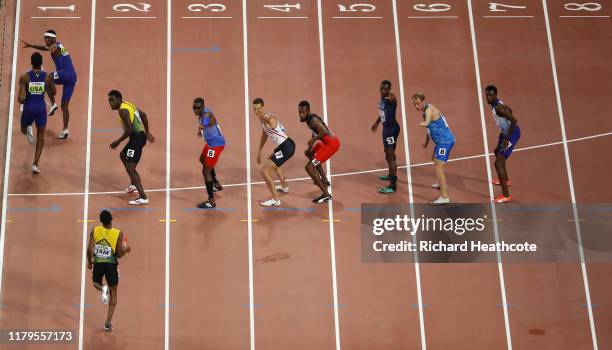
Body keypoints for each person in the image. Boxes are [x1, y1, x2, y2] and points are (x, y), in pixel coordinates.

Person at [22, 29, 77, 139]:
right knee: (64, 105)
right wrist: (31, 45)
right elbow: (46, 48)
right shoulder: (58, 45)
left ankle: (53, 103)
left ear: (54, 38)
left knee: (47, 77)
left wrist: (41, 58)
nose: (46, 40)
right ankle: (65, 129)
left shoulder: (55, 46)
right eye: (45, 38)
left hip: (65, 73)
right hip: (72, 77)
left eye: (48, 38)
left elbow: (51, 48)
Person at [108, 90, 155, 205]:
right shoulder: (127, 104)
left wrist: (117, 142)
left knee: (131, 168)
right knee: (123, 155)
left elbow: (130, 129)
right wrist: (147, 132)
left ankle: (143, 197)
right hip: (138, 137)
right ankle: (133, 184)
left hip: (137, 138)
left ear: (119, 99)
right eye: (109, 100)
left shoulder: (123, 111)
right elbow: (143, 115)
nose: (110, 103)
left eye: (113, 100)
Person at [86, 210, 131, 332]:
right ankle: (107, 323)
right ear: (111, 219)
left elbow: (89, 249)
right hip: (111, 265)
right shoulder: (118, 233)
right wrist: (126, 249)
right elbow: (119, 254)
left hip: (99, 263)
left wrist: (89, 262)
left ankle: (102, 288)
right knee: (114, 293)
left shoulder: (94, 230)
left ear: (101, 221)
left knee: (95, 283)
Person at [17, 52, 56, 174]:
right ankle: (35, 164)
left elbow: (20, 99)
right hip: (40, 109)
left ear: (31, 63)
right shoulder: (47, 77)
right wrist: (51, 84)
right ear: (42, 63)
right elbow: (53, 92)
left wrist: (28, 97)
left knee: (23, 130)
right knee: (41, 136)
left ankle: (28, 127)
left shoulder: (25, 77)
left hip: (29, 107)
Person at [413, 93, 455, 205]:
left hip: (445, 142)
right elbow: (429, 128)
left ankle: (444, 197)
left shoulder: (429, 111)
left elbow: (427, 123)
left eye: (418, 104)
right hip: (440, 142)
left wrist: (422, 123)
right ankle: (442, 183)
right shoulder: (426, 110)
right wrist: (426, 142)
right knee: (434, 158)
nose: (416, 107)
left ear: (423, 101)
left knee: (438, 166)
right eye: (414, 105)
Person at [253, 98, 295, 207]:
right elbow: (265, 134)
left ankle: (276, 200)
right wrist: (259, 150)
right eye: (254, 109)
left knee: (264, 171)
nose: (256, 111)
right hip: (283, 146)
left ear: (262, 107)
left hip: (287, 147)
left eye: (258, 109)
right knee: (271, 159)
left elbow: (269, 118)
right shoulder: (262, 120)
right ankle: (284, 186)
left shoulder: (267, 117)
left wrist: (262, 116)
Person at [298, 101, 339, 203]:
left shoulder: (313, 120)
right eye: (299, 112)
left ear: (308, 111)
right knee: (309, 153)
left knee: (309, 167)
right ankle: (324, 179)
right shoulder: (309, 119)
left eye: (303, 112)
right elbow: (315, 131)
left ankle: (326, 195)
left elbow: (324, 131)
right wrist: (311, 146)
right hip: (326, 143)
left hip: (331, 145)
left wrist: (313, 140)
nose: (301, 114)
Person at [485, 85, 520, 203]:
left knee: (498, 163)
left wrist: (507, 139)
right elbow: (510, 111)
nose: (488, 98)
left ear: (495, 95)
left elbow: (514, 121)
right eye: (487, 95)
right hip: (505, 133)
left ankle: (506, 195)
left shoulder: (499, 108)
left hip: (512, 134)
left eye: (490, 95)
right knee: (496, 152)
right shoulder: (497, 104)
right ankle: (506, 180)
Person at [193, 97, 225, 209]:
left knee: (205, 170)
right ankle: (215, 182)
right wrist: (201, 131)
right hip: (211, 144)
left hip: (216, 145)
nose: (195, 110)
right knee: (202, 159)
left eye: (198, 108)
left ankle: (211, 201)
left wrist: (202, 127)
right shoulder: (202, 114)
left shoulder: (207, 115)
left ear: (203, 107)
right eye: (194, 108)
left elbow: (206, 121)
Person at [371, 80, 400, 193]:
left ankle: (392, 185)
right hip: (386, 130)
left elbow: (393, 98)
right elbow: (382, 113)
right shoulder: (382, 99)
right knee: (388, 155)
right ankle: (391, 175)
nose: (383, 91)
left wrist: (391, 97)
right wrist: (376, 123)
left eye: (385, 89)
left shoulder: (391, 98)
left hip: (391, 131)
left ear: (389, 89)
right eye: (381, 88)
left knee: (390, 157)